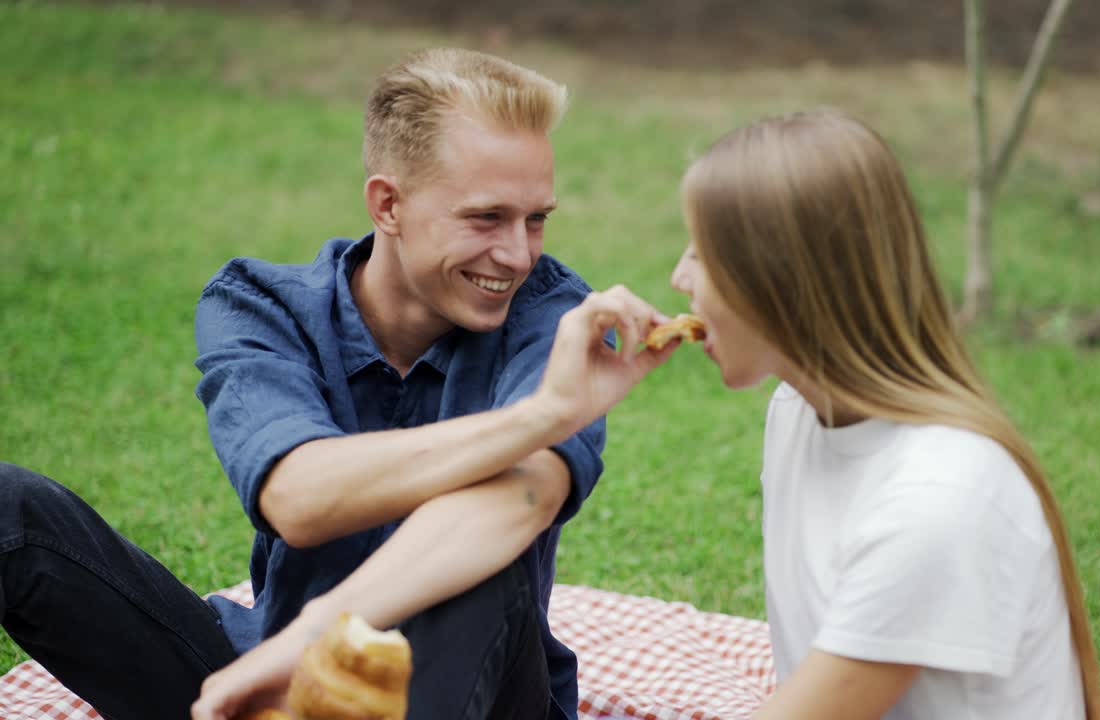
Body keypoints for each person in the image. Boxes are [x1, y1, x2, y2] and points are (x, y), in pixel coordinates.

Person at [1, 47, 675, 720]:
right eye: (485, 217)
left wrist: (543, 424)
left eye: (536, 219)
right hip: (280, 684)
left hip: (484, 695)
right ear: (387, 205)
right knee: (11, 508)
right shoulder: (261, 306)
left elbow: (522, 500)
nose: (519, 254)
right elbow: (300, 495)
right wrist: (541, 415)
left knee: (476, 562)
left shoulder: (557, 317)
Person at [520, 111, 1100, 718]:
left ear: (783, 278)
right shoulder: (797, 412)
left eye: (704, 254)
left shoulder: (938, 498)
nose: (678, 277)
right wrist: (558, 411)